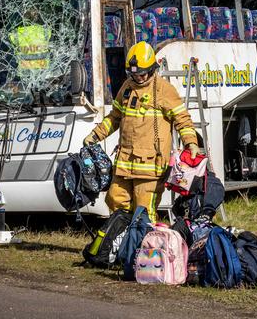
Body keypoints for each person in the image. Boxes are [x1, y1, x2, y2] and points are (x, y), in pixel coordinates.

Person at [83, 41, 199, 222]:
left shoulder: (164, 90)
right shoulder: (127, 87)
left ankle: (145, 247)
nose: (138, 78)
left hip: (150, 167)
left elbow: (182, 119)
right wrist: (95, 135)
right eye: (133, 74)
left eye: (142, 74)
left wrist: (190, 142)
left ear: (152, 69)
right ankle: (123, 243)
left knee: (143, 212)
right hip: (125, 163)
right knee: (114, 199)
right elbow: (114, 117)